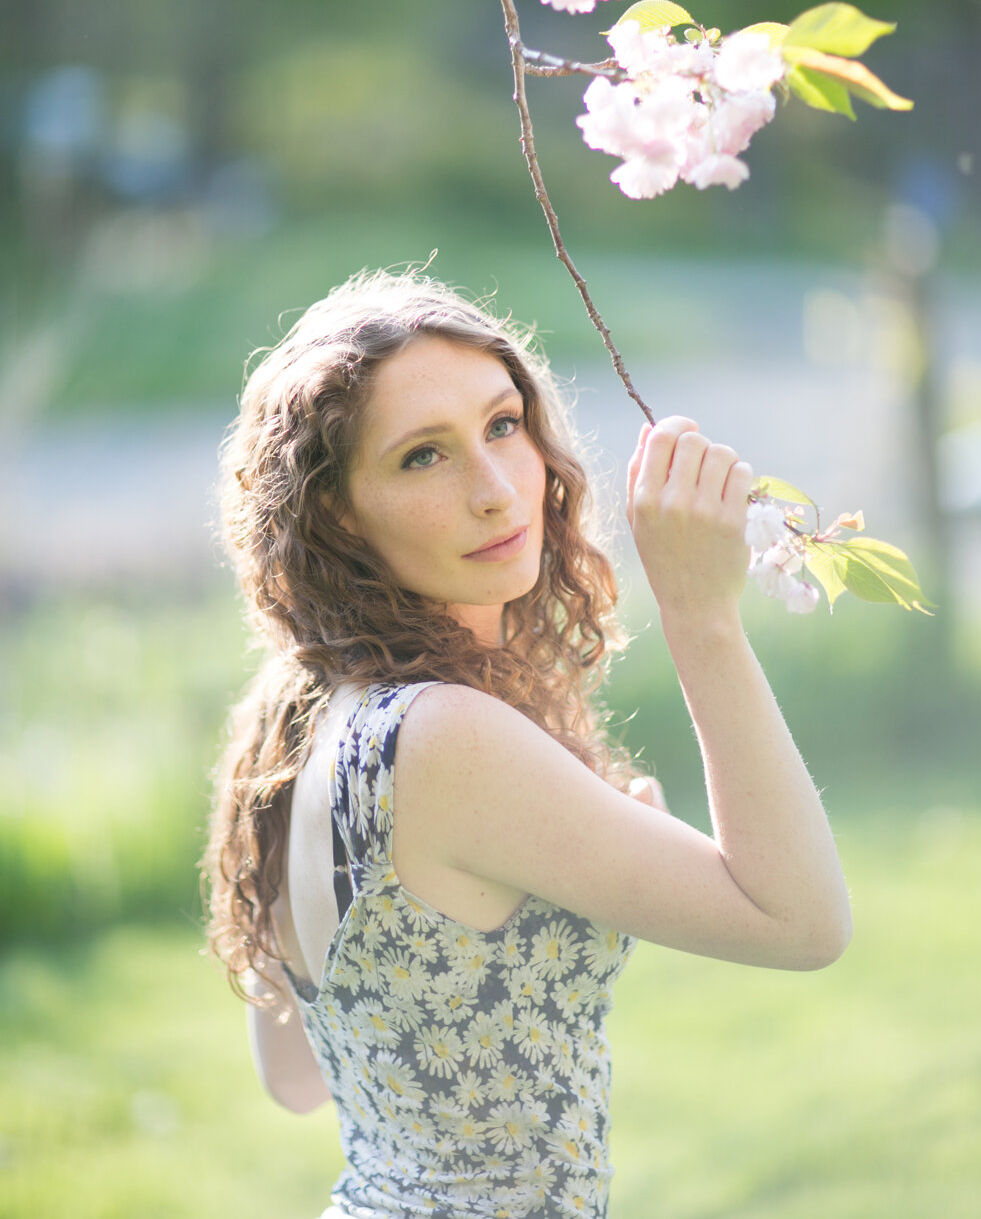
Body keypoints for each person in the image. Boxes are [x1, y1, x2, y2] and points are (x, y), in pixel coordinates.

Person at [203, 267, 852, 1219]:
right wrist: (700, 615)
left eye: (504, 426)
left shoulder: (289, 717)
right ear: (336, 510)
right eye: (423, 456)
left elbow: (300, 1076)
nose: (497, 490)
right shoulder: (444, 736)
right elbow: (805, 924)